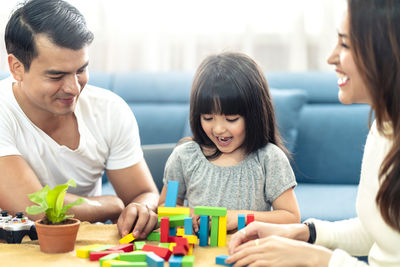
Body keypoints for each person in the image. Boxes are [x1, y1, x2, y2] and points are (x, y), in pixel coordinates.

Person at [226, 0, 400, 266]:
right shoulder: (384, 127)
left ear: (385, 51)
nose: (331, 57)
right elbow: (380, 231)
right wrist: (304, 233)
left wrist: (317, 259)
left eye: (344, 44)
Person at [0, 0, 159, 239]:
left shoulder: (109, 110)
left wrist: (141, 209)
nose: (73, 88)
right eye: (56, 75)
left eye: (80, 70)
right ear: (17, 67)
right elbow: (35, 209)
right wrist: (112, 205)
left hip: (83, 249)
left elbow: (144, 194)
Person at [158, 52, 301, 232]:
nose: (218, 129)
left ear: (254, 115)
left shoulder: (269, 159)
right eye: (208, 117)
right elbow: (165, 207)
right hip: (198, 256)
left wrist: (240, 218)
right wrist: (187, 214)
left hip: (248, 254)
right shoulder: (183, 157)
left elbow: (291, 218)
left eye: (231, 119)